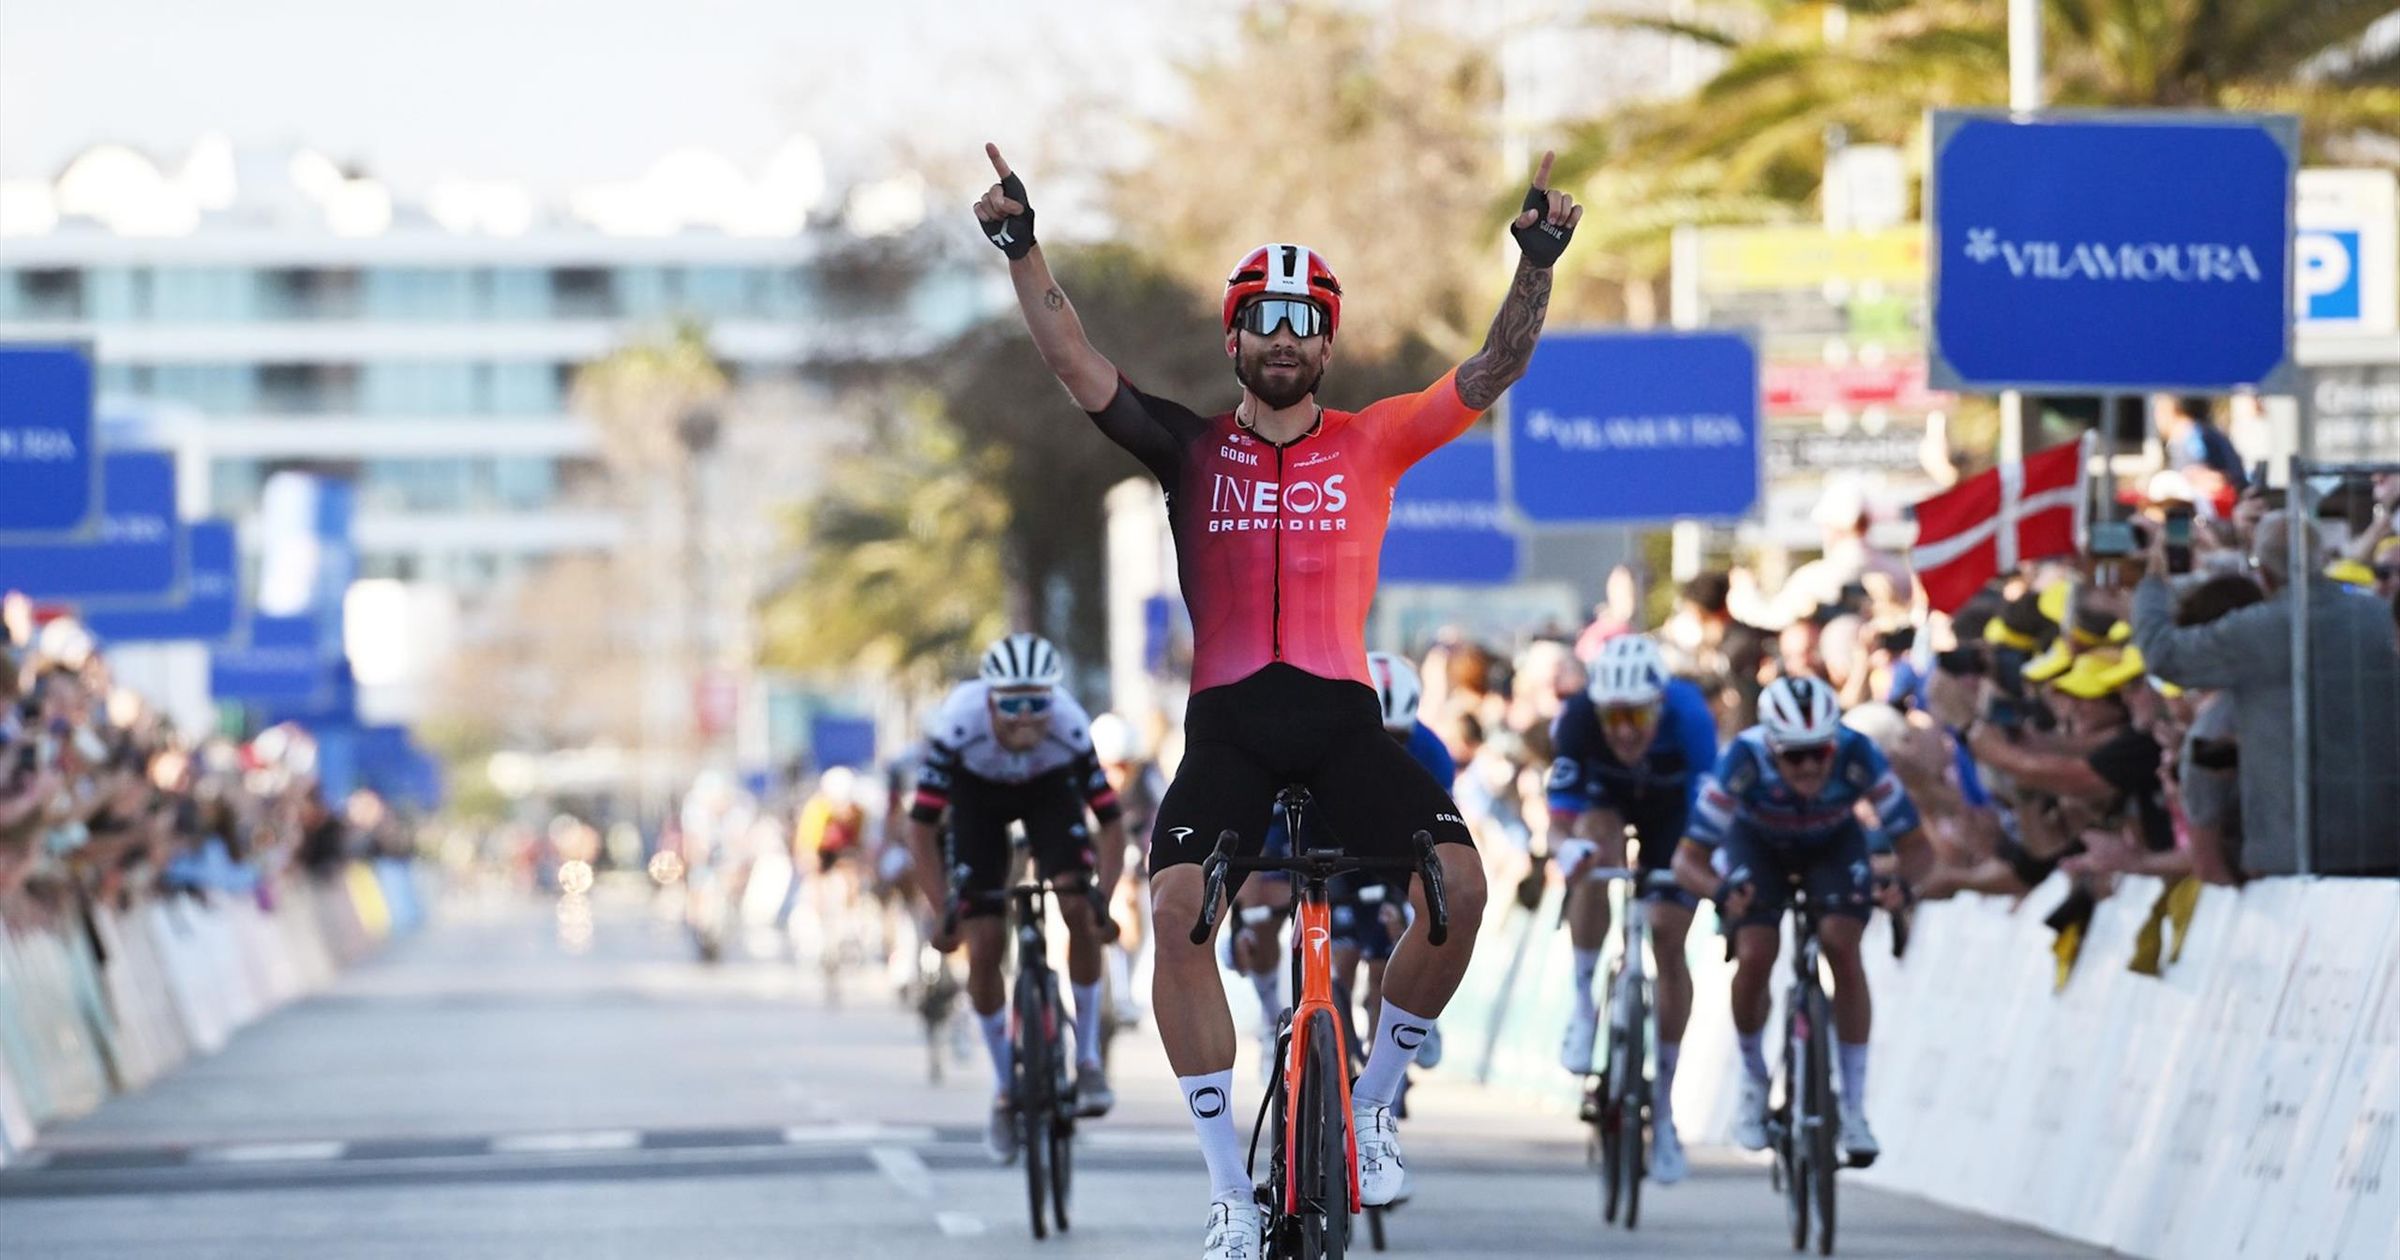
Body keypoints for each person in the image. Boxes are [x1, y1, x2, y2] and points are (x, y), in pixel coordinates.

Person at [973, 141, 1575, 1256]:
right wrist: (1023, 247)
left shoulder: (1377, 441)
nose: (1287, 340)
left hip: (1345, 723)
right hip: (1232, 730)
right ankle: (1224, 1193)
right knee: (1169, 916)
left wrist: (1536, 259)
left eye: (1306, 324)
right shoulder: (1189, 449)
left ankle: (1377, 1108)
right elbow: (1076, 363)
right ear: (1236, 339)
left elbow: (1494, 367)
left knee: (1459, 887)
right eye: (1267, 322)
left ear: (1327, 343)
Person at [1672, 675, 1922, 1168]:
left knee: (1842, 944)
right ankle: (1752, 1077)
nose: (1809, 766)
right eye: (1793, 755)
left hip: (1833, 844)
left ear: (1835, 743)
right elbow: (1688, 860)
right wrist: (1721, 893)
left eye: (1819, 753)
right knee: (1757, 950)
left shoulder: (1858, 753)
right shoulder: (1741, 760)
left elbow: (1919, 848)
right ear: (1770, 748)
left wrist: (1905, 886)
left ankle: (1852, 1106)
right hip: (1756, 845)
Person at [906, 633, 1129, 1160]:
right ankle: (1007, 1090)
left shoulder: (1070, 729)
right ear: (989, 699)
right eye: (1012, 704)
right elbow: (921, 828)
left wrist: (1105, 899)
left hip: (1049, 791)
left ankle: (1090, 1060)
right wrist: (944, 913)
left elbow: (1112, 822)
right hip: (977, 797)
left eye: (1038, 703)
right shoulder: (957, 727)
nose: (1026, 717)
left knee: (1076, 906)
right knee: (982, 944)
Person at [2124, 511, 2400, 874]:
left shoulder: (2258, 632)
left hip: (2293, 856)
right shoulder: (2378, 616)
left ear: (2265, 574)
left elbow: (2164, 656)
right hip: (2384, 845)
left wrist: (2155, 581)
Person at [1546, 633, 1718, 1184]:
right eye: (1612, 715)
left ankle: (1663, 1110)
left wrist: (1696, 869)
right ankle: (1583, 1004)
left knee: (1670, 937)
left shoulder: (1690, 718)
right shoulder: (1576, 720)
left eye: (1636, 716)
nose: (1623, 729)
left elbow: (1708, 823)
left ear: (1659, 706)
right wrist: (1567, 849)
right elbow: (1559, 823)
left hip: (1675, 814)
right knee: (1593, 849)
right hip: (1607, 806)